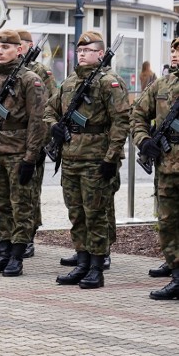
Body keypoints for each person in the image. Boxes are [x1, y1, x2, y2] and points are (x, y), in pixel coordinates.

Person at [44, 31, 130, 288]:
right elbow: (49, 108)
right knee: (77, 214)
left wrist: (110, 158)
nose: (82, 53)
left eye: (88, 50)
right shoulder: (70, 82)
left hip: (96, 159)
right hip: (70, 157)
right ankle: (81, 263)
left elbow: (120, 122)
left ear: (100, 54)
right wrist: (54, 127)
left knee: (96, 215)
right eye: (79, 50)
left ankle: (96, 267)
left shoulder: (109, 82)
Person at [0, 30, 47, 277]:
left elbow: (38, 121)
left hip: (18, 152)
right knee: (0, 204)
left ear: (19, 50)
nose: (1, 51)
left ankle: (17, 255)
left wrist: (31, 157)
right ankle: (3, 251)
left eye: (6, 48)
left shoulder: (29, 80)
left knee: (21, 205)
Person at [132, 38, 179, 298]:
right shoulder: (161, 85)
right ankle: (176, 276)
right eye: (173, 50)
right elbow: (137, 114)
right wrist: (144, 139)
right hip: (167, 166)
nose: (174, 55)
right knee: (168, 222)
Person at [16, 29, 57, 257]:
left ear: (29, 46)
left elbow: (50, 108)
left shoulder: (40, 71)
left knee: (30, 192)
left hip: (33, 142)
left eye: (21, 45)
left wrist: (43, 143)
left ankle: (29, 236)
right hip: (12, 143)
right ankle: (15, 236)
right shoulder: (11, 71)